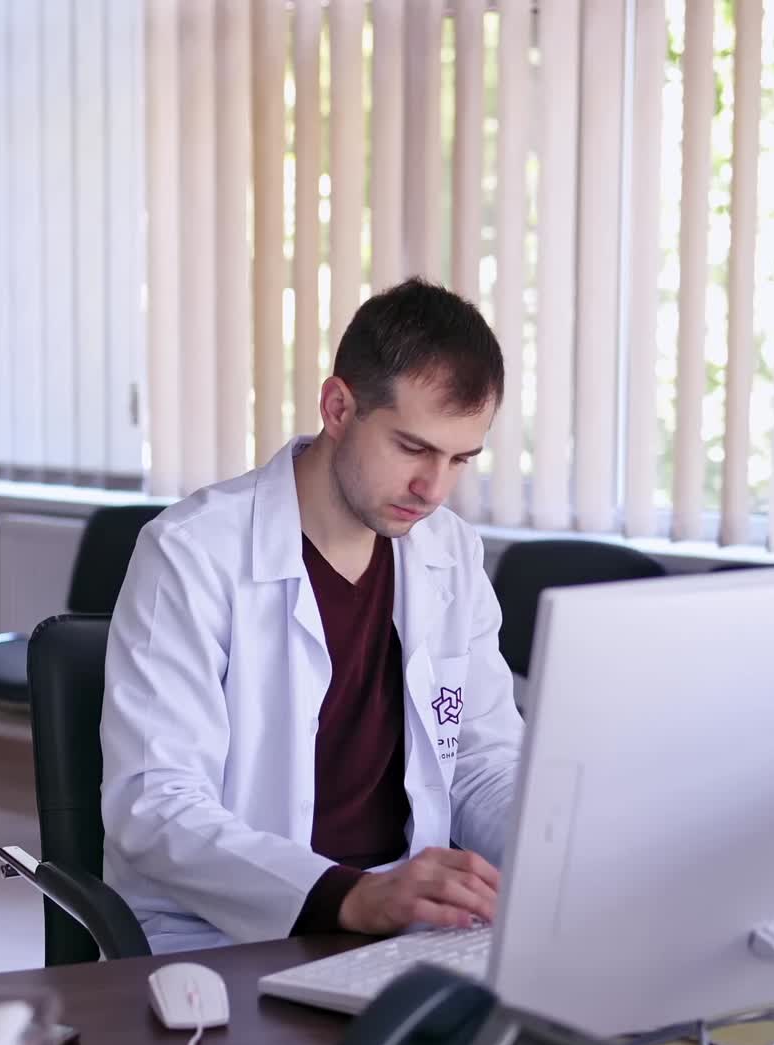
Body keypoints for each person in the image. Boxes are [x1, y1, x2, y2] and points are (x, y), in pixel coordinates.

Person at [101, 278, 523, 952]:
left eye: (459, 459)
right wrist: (352, 895)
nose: (433, 489)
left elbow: (479, 761)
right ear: (337, 406)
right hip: (233, 933)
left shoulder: (451, 555)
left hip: (409, 925)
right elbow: (156, 806)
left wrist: (556, 857)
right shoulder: (191, 553)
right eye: (412, 449)